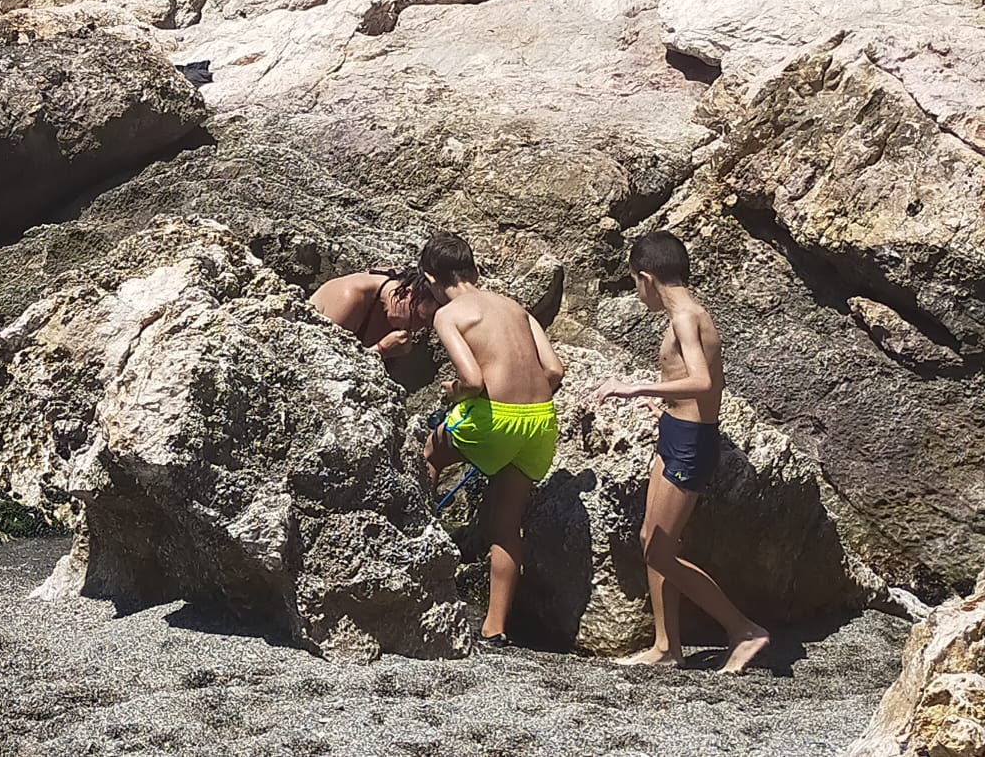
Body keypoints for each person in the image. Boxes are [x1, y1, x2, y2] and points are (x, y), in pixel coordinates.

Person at [597, 231, 771, 674]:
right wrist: (663, 401)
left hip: (691, 442)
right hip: (675, 431)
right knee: (651, 541)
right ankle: (665, 647)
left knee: (658, 552)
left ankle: (744, 630)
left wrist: (635, 386)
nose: (639, 294)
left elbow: (704, 382)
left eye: (637, 285)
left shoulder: (685, 318)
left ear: (646, 278)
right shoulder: (687, 315)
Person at [420, 232, 565, 648]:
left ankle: (421, 555)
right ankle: (495, 627)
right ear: (474, 270)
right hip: (539, 422)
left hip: (494, 417)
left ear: (431, 278)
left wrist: (454, 393)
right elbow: (554, 371)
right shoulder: (518, 309)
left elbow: (471, 379)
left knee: (428, 457)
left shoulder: (449, 315)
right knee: (507, 523)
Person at [310, 248, 442, 357]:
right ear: (406, 293)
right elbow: (324, 361)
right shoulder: (349, 299)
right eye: (419, 317)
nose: (417, 328)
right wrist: (381, 350)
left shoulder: (395, 290)